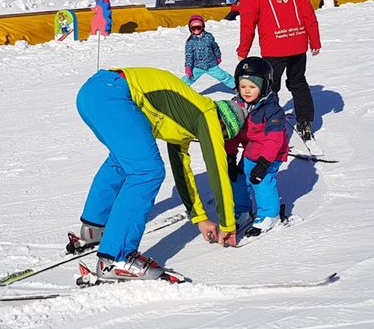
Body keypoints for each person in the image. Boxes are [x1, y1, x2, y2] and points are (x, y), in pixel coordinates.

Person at [68, 67, 245, 281]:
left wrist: (199, 218)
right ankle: (117, 257)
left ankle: (93, 228)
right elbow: (217, 171)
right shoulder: (207, 114)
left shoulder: (185, 118)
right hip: (113, 94)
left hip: (93, 93)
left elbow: (182, 172)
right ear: (223, 125)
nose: (218, 139)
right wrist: (228, 225)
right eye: (224, 136)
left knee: (123, 160)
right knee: (147, 171)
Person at [237, 0, 321, 141]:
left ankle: (268, 126)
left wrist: (243, 50)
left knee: (268, 88)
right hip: (298, 42)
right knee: (298, 82)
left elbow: (248, 20)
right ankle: (305, 123)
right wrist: (314, 40)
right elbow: (307, 12)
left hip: (274, 47)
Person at [225, 57, 289, 234]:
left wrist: (263, 164)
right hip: (251, 150)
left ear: (265, 86)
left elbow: (274, 140)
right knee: (237, 178)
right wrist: (230, 155)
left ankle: (269, 215)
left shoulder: (272, 110)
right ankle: (242, 211)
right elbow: (233, 132)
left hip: (271, 153)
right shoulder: (238, 105)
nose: (247, 91)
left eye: (252, 87)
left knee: (260, 180)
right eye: (243, 86)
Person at [182, 15, 235, 90]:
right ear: (190, 29)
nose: (196, 30)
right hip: (198, 66)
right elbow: (189, 56)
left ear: (203, 26)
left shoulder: (208, 37)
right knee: (188, 79)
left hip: (211, 65)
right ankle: (178, 91)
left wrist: (218, 57)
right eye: (193, 28)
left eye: (198, 27)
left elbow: (215, 48)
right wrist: (188, 67)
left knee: (224, 76)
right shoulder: (190, 42)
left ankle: (237, 88)